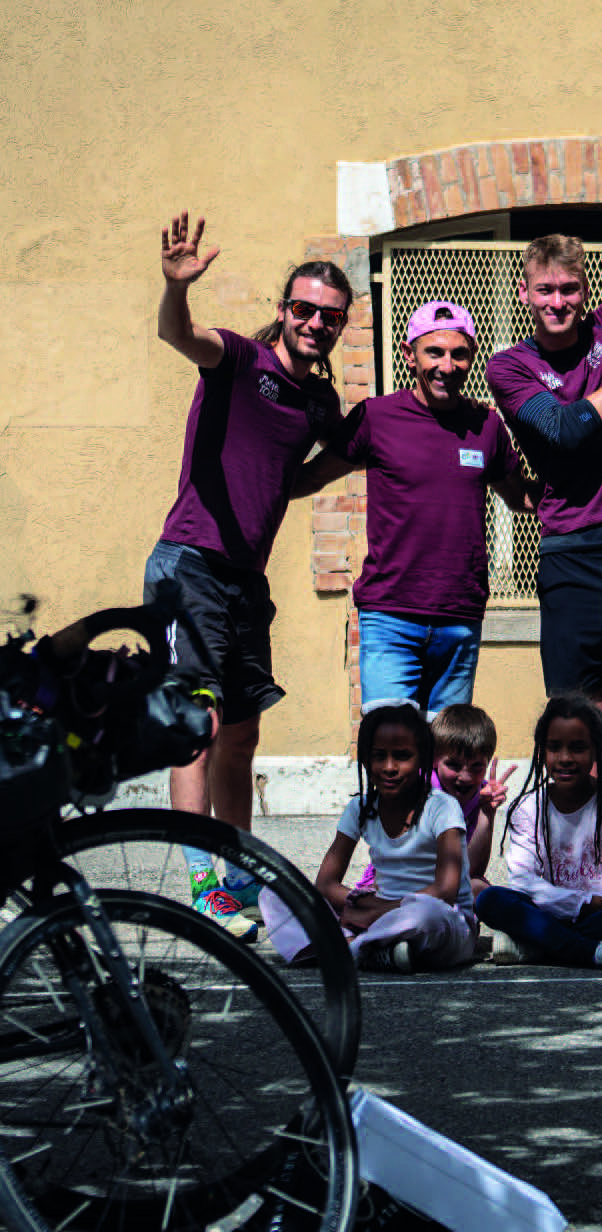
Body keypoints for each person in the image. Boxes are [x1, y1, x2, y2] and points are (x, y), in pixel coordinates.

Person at [144, 211, 353, 941]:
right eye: (304, 309)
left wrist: (363, 448)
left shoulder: (319, 403)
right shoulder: (238, 360)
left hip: (245, 581)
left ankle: (237, 875)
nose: (315, 323)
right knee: (197, 726)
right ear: (283, 310)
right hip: (190, 564)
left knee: (241, 734)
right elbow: (179, 334)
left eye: (330, 316)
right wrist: (176, 288)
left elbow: (297, 476)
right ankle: (204, 886)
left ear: (340, 325)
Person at [483, 90, 602, 704]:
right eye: (545, 290)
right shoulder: (509, 366)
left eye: (569, 289)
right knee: (574, 707)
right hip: (571, 550)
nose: (558, 302)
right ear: (524, 293)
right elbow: (567, 431)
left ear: (585, 291)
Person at [293, 300, 528, 711]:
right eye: (434, 352)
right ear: (409, 354)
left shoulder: (486, 424)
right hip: (391, 617)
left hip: (460, 618)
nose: (447, 366)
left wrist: (595, 491)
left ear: (472, 356)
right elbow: (312, 477)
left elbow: (519, 496)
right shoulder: (376, 417)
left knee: (447, 749)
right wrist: (244, 483)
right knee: (391, 744)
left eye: (459, 354)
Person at [264, 702, 476, 972]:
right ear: (365, 759)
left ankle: (347, 948)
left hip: (443, 924)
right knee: (276, 892)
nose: (389, 767)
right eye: (378, 756)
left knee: (425, 913)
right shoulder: (360, 808)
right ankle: (372, 949)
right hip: (377, 918)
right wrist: (360, 903)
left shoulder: (443, 807)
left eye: (402, 756)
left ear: (423, 759)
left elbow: (445, 892)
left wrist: (377, 912)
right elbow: (326, 884)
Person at [475, 694, 602, 969]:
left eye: (578, 748)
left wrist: (600, 903)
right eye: (554, 747)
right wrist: (581, 902)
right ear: (541, 751)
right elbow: (524, 881)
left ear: (597, 750)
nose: (565, 758)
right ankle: (592, 952)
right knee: (490, 899)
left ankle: (540, 946)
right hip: (550, 913)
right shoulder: (528, 808)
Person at [350, 702, 513, 904]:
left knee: (480, 889)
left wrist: (486, 814)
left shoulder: (481, 795)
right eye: (453, 765)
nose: (465, 777)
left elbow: (470, 871)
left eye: (477, 766)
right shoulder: (417, 787)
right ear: (433, 759)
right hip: (395, 884)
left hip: (441, 887)